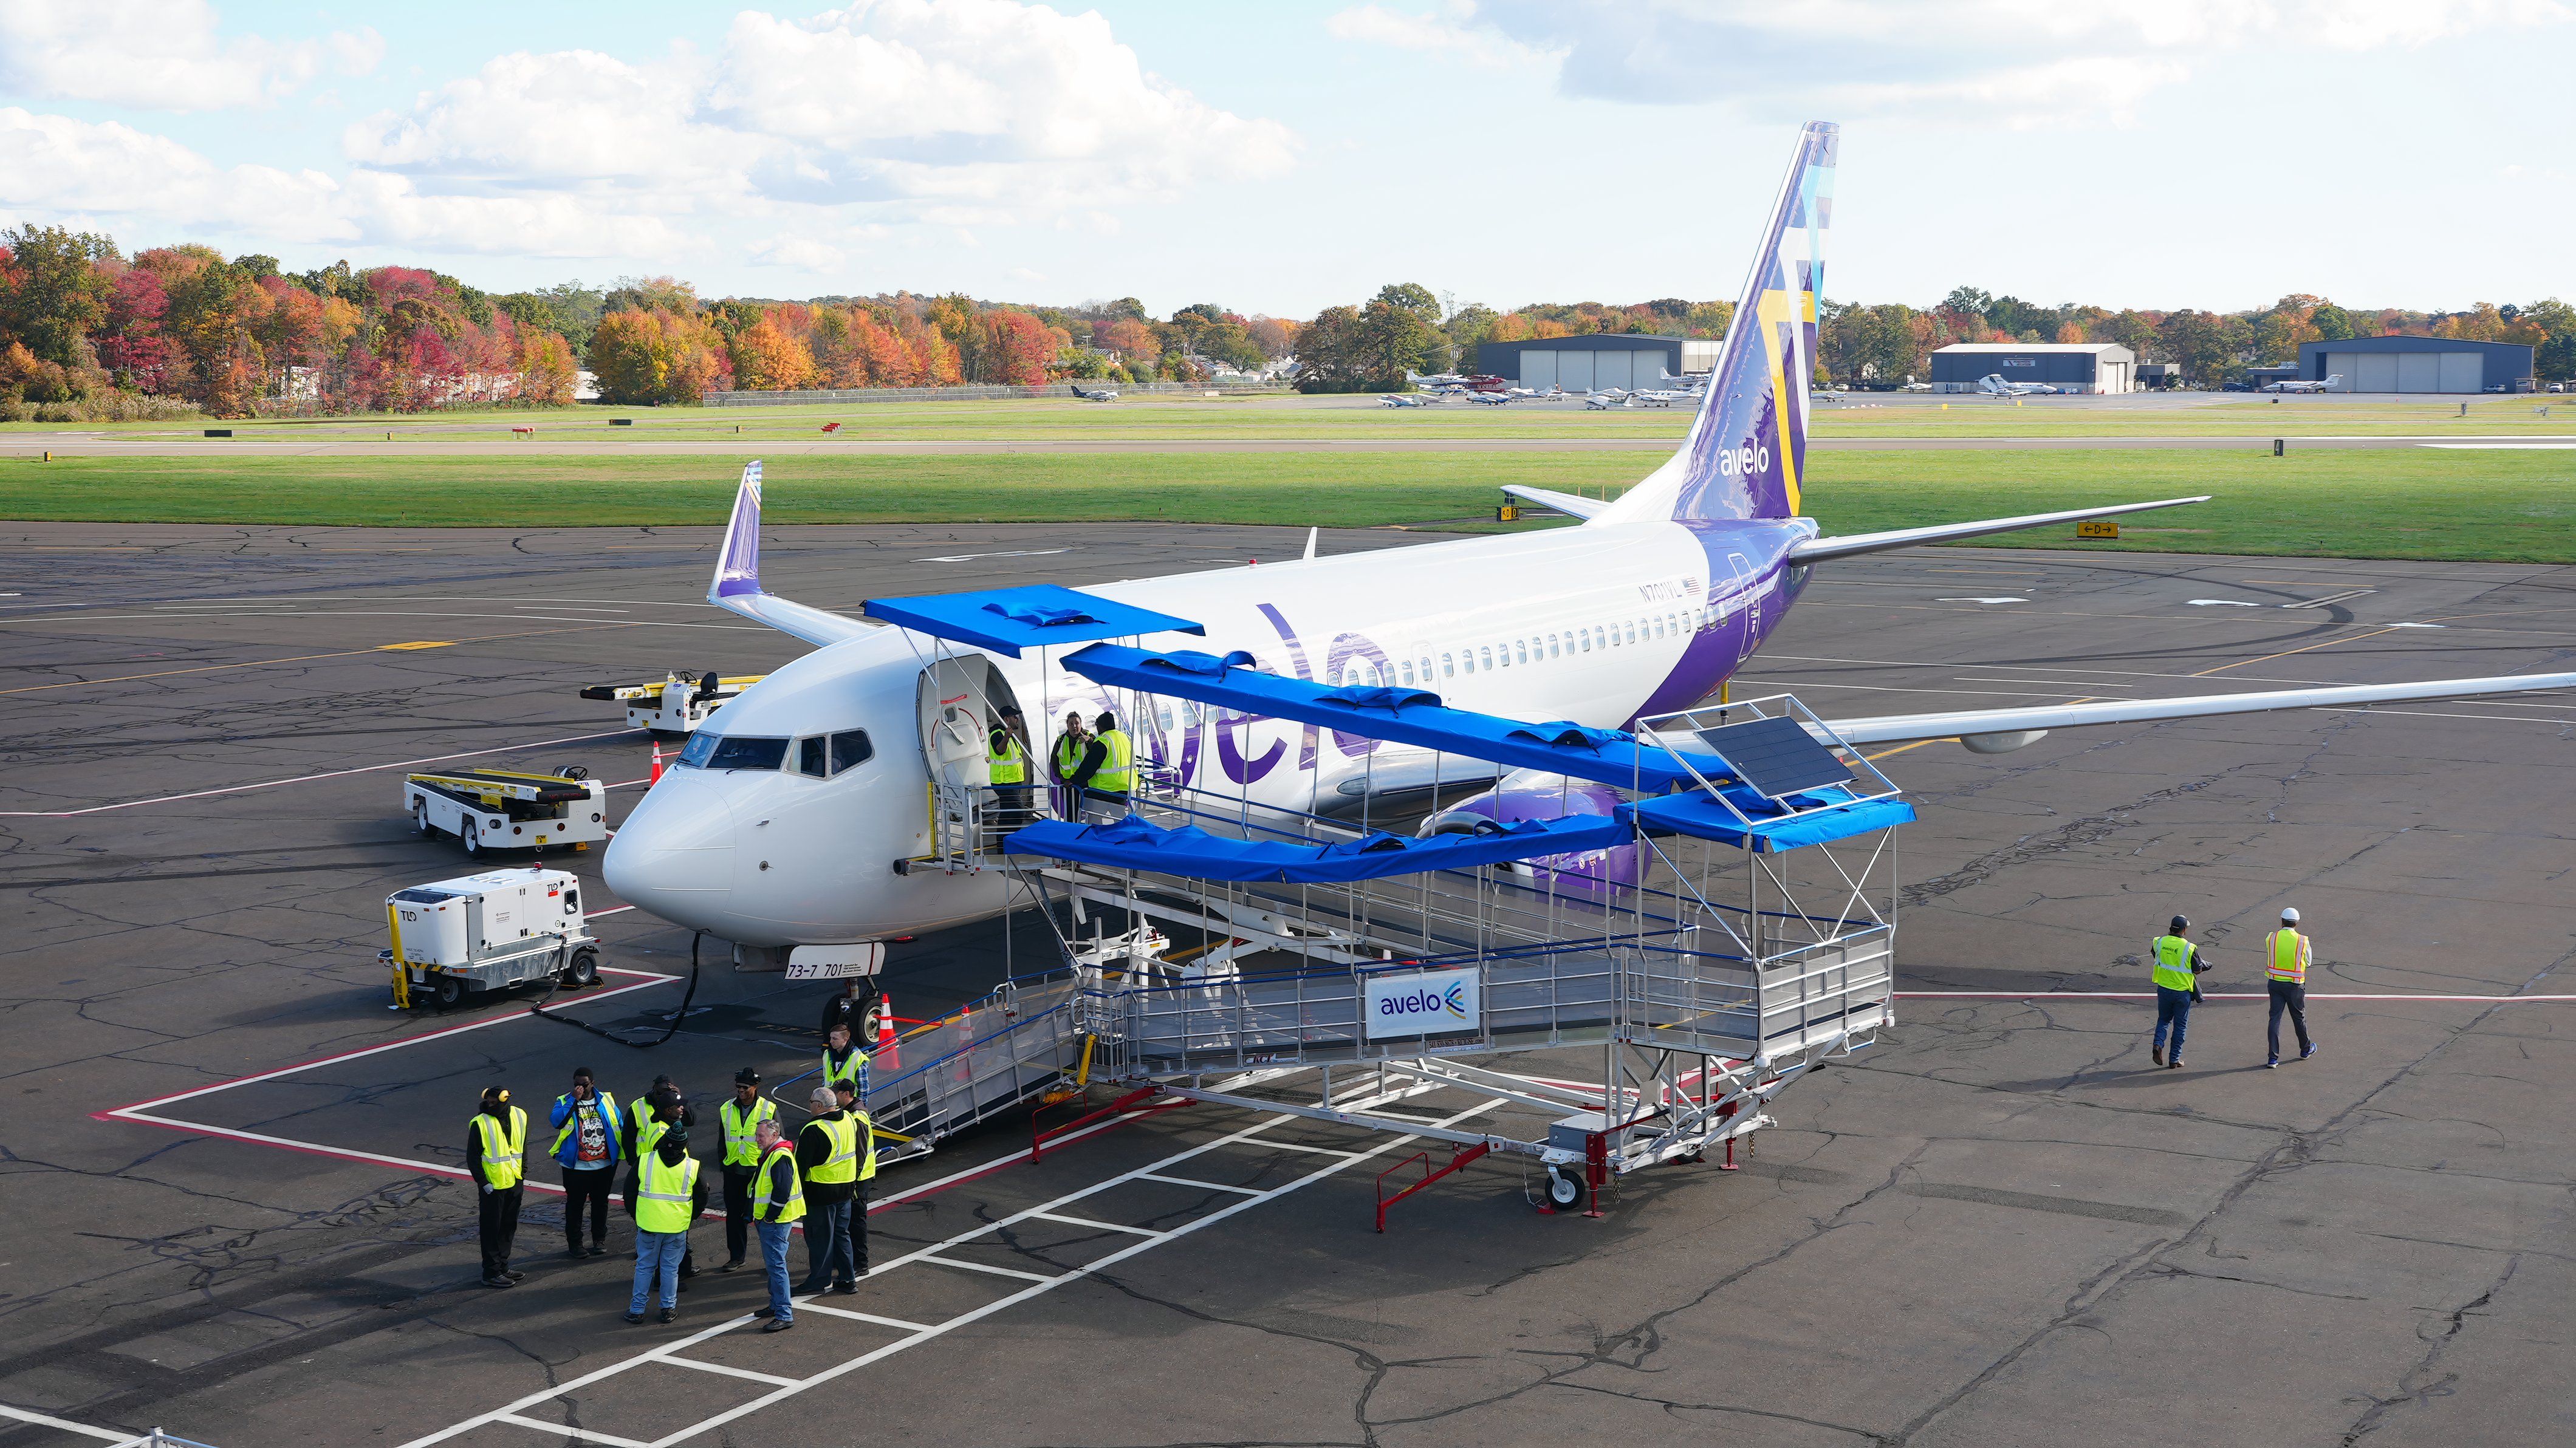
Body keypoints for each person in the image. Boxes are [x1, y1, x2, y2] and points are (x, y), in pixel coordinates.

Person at [622, 1124, 707, 1325]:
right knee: (670, 1269)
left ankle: (637, 1310)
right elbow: (702, 1196)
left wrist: (638, 1215)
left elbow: (629, 1192)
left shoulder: (645, 1161)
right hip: (677, 1227)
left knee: (644, 1267)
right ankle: (668, 1309)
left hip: (648, 1225)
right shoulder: (691, 1166)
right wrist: (690, 1216)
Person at [548, 1067, 619, 1259]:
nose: (580, 1088)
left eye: (584, 1085)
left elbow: (618, 1124)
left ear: (593, 1083)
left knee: (600, 1204)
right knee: (575, 1205)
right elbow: (557, 1121)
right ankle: (575, 1244)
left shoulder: (606, 1100)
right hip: (576, 1167)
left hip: (603, 1165)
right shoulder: (564, 1100)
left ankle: (599, 1240)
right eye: (576, 1084)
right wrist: (573, 1099)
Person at [796, 1085, 860, 1294]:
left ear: (819, 1105)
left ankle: (818, 1281)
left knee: (819, 1238)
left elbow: (801, 1166)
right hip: (847, 1188)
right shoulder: (850, 1119)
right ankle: (848, 1278)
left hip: (821, 1192)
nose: (810, 1107)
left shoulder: (813, 1129)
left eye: (811, 1103)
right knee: (842, 1234)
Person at [467, 1086, 528, 1289]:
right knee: (491, 1229)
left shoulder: (520, 1115)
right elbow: (473, 1157)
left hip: (514, 1180)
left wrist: (523, 1173)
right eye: (489, 1102)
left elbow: (522, 1146)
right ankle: (491, 1272)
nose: (490, 1105)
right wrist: (483, 1183)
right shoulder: (480, 1123)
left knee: (508, 1226)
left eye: (494, 1102)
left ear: (505, 1100)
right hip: (493, 1187)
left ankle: (503, 1266)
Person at [716, 1068, 775, 1272]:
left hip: (757, 1171)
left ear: (755, 1087)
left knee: (764, 1216)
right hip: (733, 1171)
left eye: (745, 1087)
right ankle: (737, 1257)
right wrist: (723, 1163)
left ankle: (773, 1259)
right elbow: (722, 1140)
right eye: (738, 1087)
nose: (740, 1091)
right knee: (734, 1216)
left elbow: (778, 1141)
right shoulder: (726, 1108)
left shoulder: (768, 1109)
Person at [748, 1118, 803, 1332]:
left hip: (776, 1221)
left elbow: (782, 1190)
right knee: (774, 1265)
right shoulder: (773, 1153)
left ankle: (783, 1313)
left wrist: (770, 1216)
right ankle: (776, 1306)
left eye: (760, 1136)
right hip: (771, 1219)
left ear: (773, 1135)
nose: (757, 1139)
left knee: (776, 1266)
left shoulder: (779, 1156)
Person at [2148, 915, 2211, 1070]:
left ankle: (2158, 1044)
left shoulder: (2159, 942)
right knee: (2180, 1026)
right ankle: (2174, 1059)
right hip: (2182, 991)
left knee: (2163, 1020)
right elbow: (2197, 970)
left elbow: (2156, 955)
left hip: (2164, 988)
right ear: (2184, 930)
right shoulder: (2189, 947)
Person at [2263, 907, 2318, 1068]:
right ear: (2297, 923)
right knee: (2298, 1018)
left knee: (2274, 1019)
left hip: (2274, 983)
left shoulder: (2271, 937)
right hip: (2294, 985)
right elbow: (2308, 962)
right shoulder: (2302, 940)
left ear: (2282, 921)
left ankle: (2273, 1058)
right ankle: (2305, 1050)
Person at [1068, 708, 1131, 819]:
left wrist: (1073, 780)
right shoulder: (1124, 737)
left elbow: (1089, 767)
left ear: (1101, 726)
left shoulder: (1103, 741)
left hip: (1105, 789)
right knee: (1120, 818)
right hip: (1124, 786)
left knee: (1094, 818)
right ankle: (1124, 836)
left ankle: (1095, 836)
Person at [988, 704, 1032, 844]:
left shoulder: (1009, 735)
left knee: (1008, 814)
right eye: (1015, 717)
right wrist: (1006, 737)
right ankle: (1009, 842)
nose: (1017, 719)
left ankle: (1005, 844)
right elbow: (999, 750)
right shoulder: (998, 734)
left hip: (1013, 782)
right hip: (1004, 783)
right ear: (1007, 719)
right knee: (1018, 811)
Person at [1050, 709, 1091, 819]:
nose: (1074, 726)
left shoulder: (1089, 737)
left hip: (1086, 784)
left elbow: (1096, 757)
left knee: (1090, 813)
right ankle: (1071, 834)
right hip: (1068, 785)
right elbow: (1054, 761)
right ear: (1067, 726)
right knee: (1070, 813)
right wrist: (1062, 779)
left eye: (1077, 723)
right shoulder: (1061, 740)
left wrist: (1090, 741)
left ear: (1081, 724)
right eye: (1071, 724)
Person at [821, 1022, 869, 1107]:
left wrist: (860, 1109)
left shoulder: (858, 1058)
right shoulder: (827, 1054)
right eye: (831, 1038)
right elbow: (825, 1079)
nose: (831, 1041)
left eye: (835, 1039)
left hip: (848, 1105)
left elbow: (863, 1089)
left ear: (845, 1040)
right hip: (830, 1103)